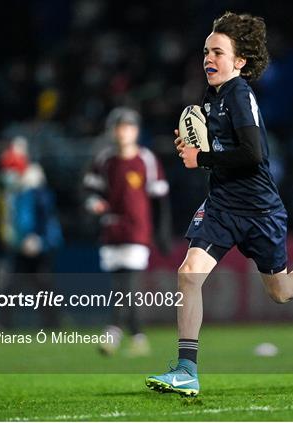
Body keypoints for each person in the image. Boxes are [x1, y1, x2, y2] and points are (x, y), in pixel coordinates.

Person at [145, 12, 293, 397]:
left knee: (281, 291)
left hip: (259, 210)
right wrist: (194, 147)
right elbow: (216, 147)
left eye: (218, 52)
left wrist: (199, 159)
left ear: (240, 62)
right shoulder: (212, 95)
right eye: (206, 51)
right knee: (189, 274)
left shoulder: (239, 95)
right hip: (222, 204)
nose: (208, 58)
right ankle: (186, 370)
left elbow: (253, 155)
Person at [83, 107, 171, 357]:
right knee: (121, 286)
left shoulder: (146, 160)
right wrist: (93, 204)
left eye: (128, 127)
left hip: (137, 231)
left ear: (136, 131)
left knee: (126, 286)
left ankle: (112, 332)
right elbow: (89, 192)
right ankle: (139, 338)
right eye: (118, 127)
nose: (123, 132)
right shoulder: (104, 161)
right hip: (111, 229)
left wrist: (162, 234)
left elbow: (160, 199)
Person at [0, 137, 63, 328]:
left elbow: (46, 218)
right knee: (11, 288)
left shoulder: (35, 189)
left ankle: (53, 325)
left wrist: (38, 240)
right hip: (20, 247)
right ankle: (3, 324)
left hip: (39, 247)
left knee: (43, 287)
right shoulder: (11, 192)